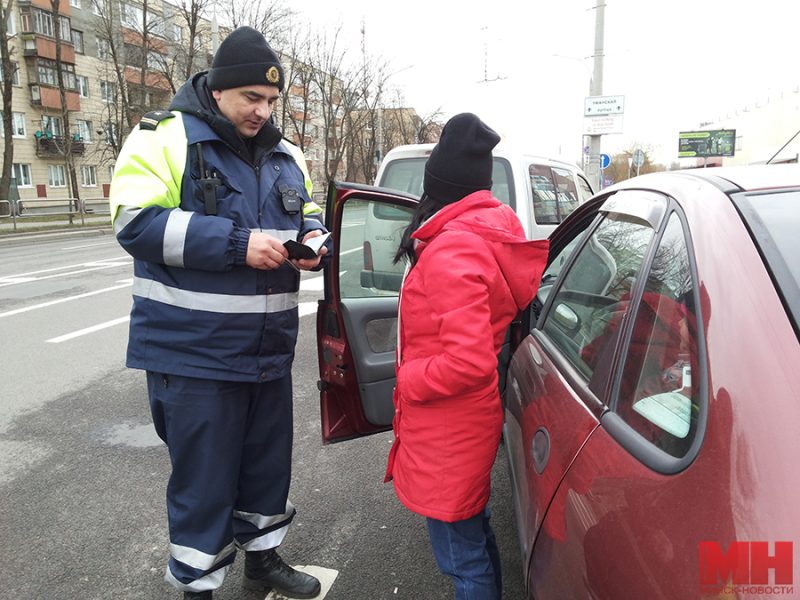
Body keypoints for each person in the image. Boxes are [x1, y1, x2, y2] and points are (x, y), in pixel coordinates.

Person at [109, 26, 329, 600]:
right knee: (203, 483)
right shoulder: (164, 136)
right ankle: (198, 587)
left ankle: (264, 560)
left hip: (267, 350)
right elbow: (135, 224)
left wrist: (316, 237)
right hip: (194, 353)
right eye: (251, 98)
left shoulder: (287, 154)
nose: (263, 111)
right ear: (218, 89)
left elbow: (306, 211)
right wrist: (238, 244)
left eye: (271, 101)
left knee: (264, 469)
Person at [385, 113, 549, 599]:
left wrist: (410, 380)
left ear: (436, 186)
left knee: (460, 558)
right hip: (464, 425)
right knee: (473, 538)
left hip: (448, 429)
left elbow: (468, 363)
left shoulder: (452, 251)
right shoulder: (482, 237)